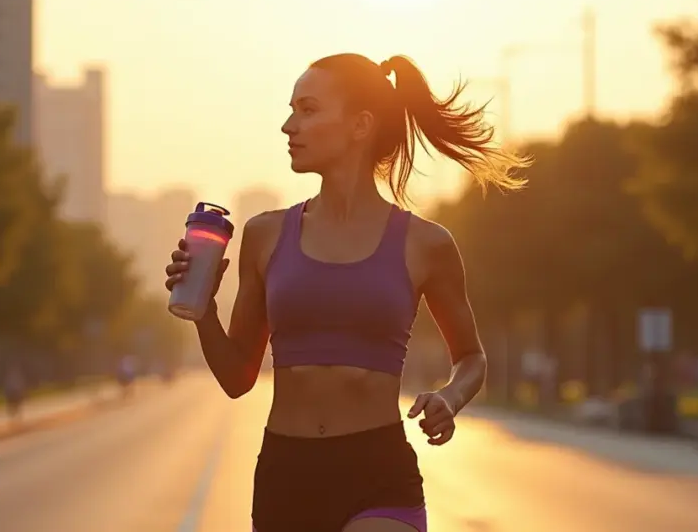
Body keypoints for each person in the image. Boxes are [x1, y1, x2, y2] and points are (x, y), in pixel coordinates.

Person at [164, 53, 528, 532]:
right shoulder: (264, 234)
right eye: (291, 109)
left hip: (378, 471)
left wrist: (450, 396)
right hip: (286, 474)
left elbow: (471, 357)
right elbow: (237, 378)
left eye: (308, 110)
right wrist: (204, 307)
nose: (288, 126)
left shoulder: (427, 244)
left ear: (360, 124)